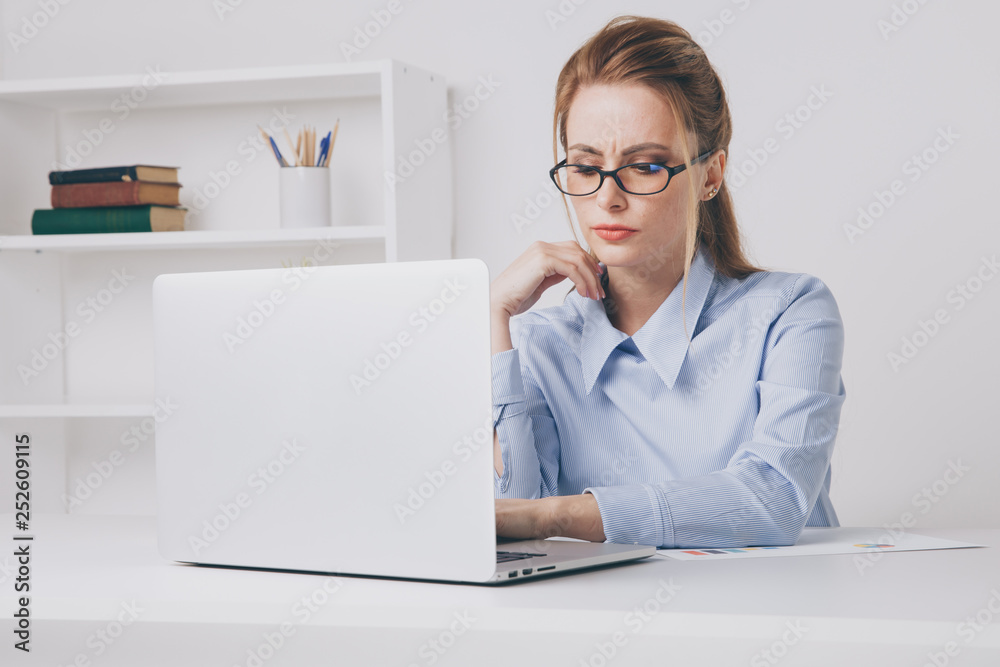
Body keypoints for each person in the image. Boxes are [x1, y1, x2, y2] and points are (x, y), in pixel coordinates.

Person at [489, 15, 846, 549]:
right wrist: (492, 318)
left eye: (647, 166)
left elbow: (773, 498)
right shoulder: (538, 343)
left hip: (778, 617)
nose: (608, 197)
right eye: (586, 167)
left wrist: (558, 516)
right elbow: (506, 521)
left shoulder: (790, 311)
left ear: (710, 175)